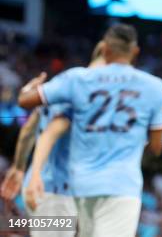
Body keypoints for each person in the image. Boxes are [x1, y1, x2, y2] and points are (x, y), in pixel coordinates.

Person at [18, 24, 162, 237]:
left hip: (78, 186)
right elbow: (157, 147)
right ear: (135, 52)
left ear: (105, 50)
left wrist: (20, 169)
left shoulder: (77, 82)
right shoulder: (153, 86)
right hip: (99, 187)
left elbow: (27, 109)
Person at [0, 43, 105, 237]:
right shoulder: (84, 93)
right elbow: (49, 132)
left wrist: (19, 167)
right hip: (56, 191)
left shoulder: (60, 88)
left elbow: (28, 130)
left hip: (44, 188)